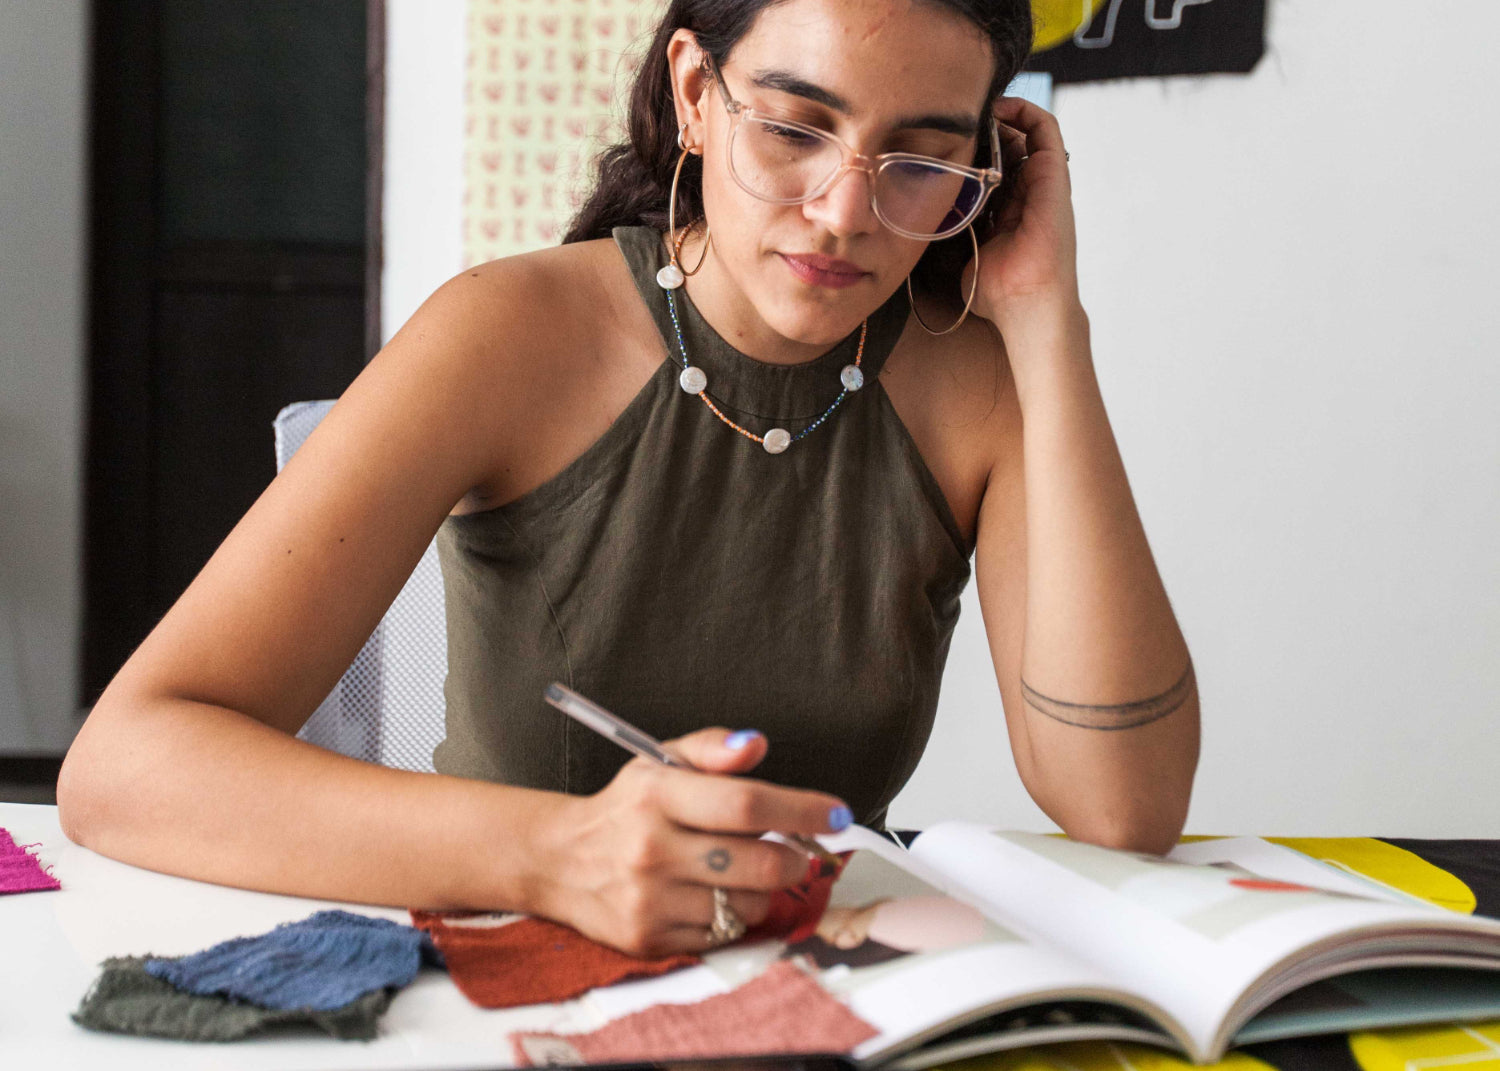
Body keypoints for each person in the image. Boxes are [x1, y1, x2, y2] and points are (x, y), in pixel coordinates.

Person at [57, 0, 1199, 959]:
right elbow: (126, 767)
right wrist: (562, 854)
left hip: (829, 992)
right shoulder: (506, 336)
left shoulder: (976, 381)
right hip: (503, 970)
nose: (847, 212)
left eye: (921, 160)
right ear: (697, 92)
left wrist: (1049, 324)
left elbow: (1122, 806)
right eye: (798, 126)